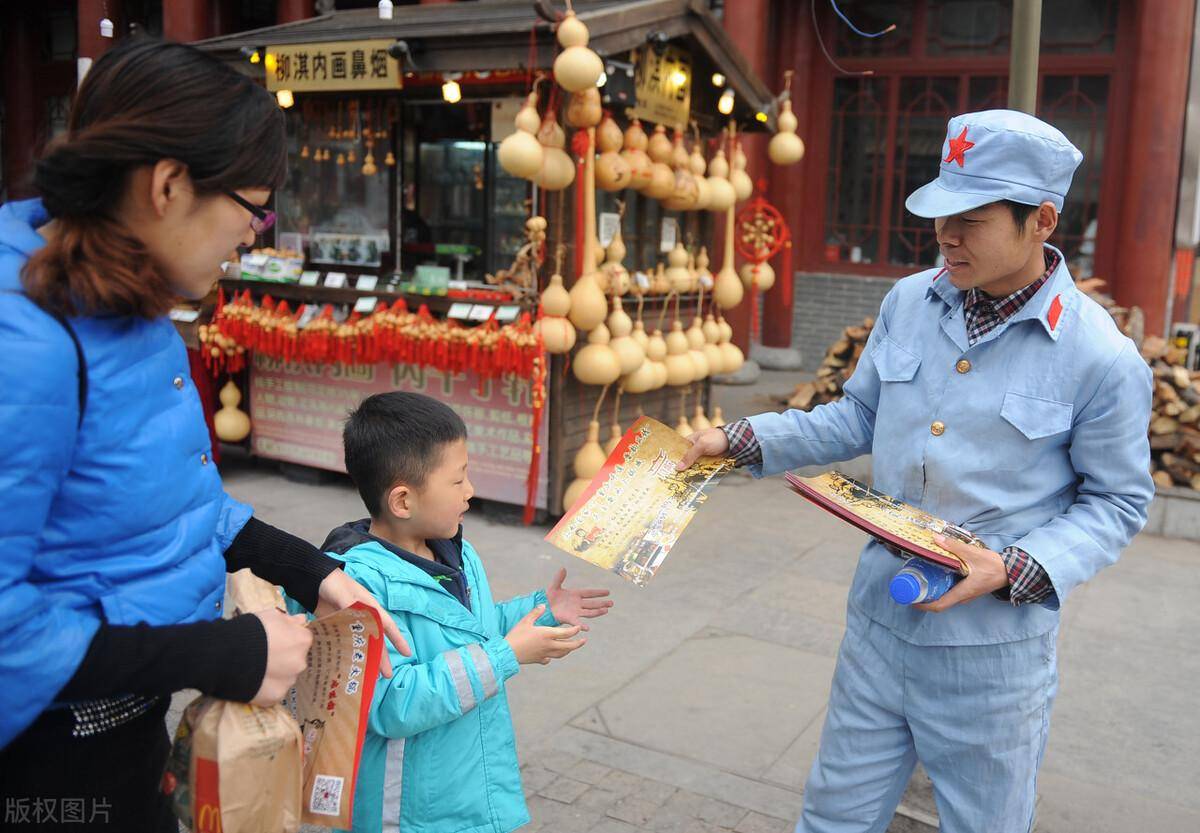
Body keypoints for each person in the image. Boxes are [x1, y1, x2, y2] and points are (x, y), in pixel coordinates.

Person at [679, 110, 1153, 832]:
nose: (946, 235)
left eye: (971, 218)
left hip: (990, 651)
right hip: (878, 622)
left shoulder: (1100, 358)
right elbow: (855, 418)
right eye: (941, 214)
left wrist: (1017, 567)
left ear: (1043, 220)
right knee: (834, 815)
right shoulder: (909, 301)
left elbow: (1117, 502)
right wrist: (739, 438)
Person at [0, 39, 408, 832]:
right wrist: (224, 655)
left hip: (126, 741)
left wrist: (317, 572)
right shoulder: (27, 345)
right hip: (43, 769)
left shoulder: (130, 300)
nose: (256, 232)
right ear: (167, 185)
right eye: (253, 205)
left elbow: (181, 508)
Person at [315, 392, 612, 833]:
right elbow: (390, 704)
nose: (470, 493)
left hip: (465, 785)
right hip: (408, 810)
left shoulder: (456, 551)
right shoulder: (354, 588)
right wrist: (506, 656)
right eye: (457, 481)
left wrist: (539, 611)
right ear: (403, 501)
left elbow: (471, 631)